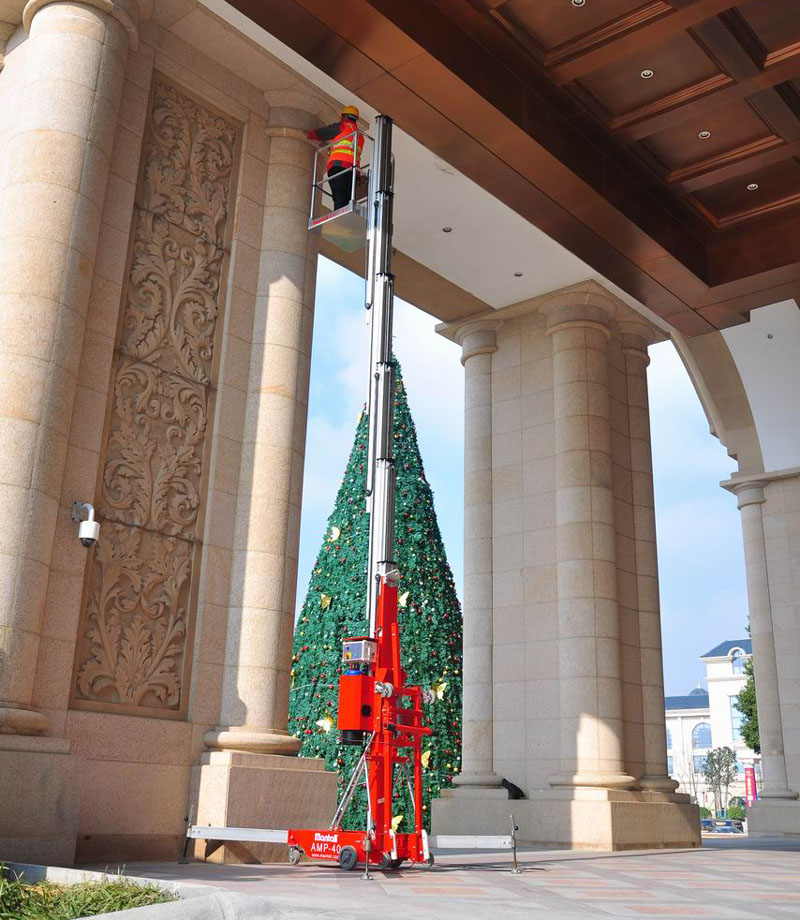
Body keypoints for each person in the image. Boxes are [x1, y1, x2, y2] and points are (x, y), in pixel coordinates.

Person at [308, 105, 364, 211]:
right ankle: (346, 218)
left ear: (345, 116)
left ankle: (339, 217)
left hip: (339, 166)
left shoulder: (343, 126)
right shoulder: (360, 135)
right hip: (353, 171)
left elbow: (323, 132)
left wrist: (309, 134)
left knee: (339, 194)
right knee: (348, 197)